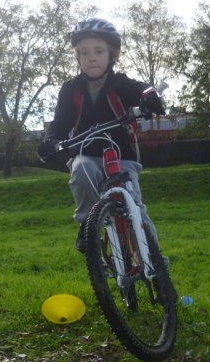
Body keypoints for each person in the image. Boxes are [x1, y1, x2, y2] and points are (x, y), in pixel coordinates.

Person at [37, 17, 165, 253]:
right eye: (84, 52)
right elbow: (60, 124)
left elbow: (140, 89)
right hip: (86, 154)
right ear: (78, 57)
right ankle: (88, 224)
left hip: (122, 156)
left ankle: (157, 267)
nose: (91, 57)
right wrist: (50, 141)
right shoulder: (70, 90)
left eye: (98, 51)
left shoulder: (120, 83)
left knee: (135, 208)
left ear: (111, 54)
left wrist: (149, 95)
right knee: (80, 171)